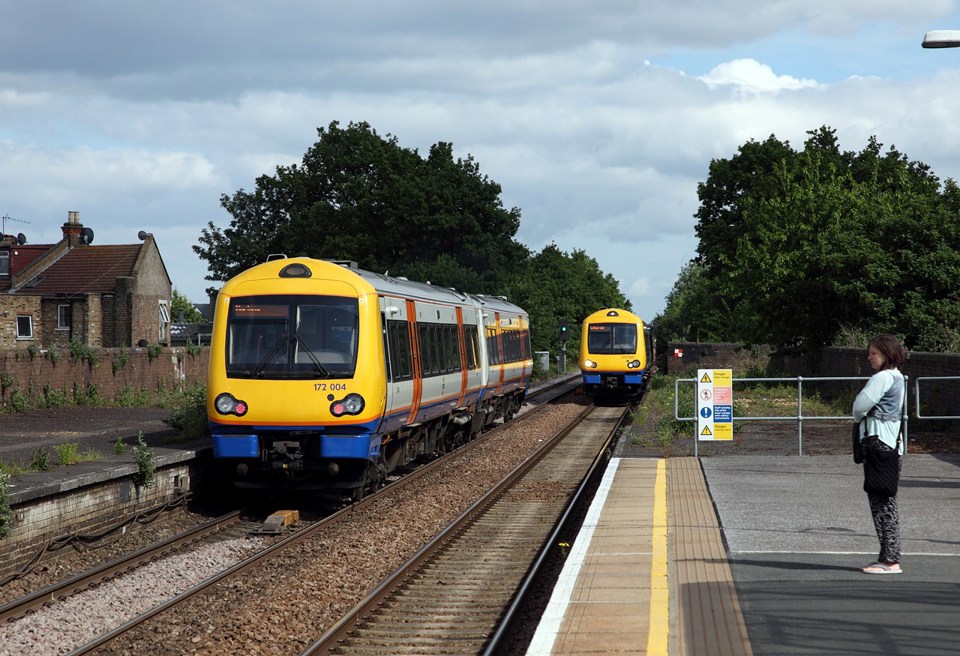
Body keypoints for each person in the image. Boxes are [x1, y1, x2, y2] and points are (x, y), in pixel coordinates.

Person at [852, 334, 906, 575]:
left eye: (874, 353)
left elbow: (860, 406)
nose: (870, 357)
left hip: (879, 442)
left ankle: (890, 560)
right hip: (889, 442)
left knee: (882, 502)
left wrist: (857, 415)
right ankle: (886, 556)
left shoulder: (883, 377)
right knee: (883, 500)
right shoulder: (897, 377)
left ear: (887, 354)